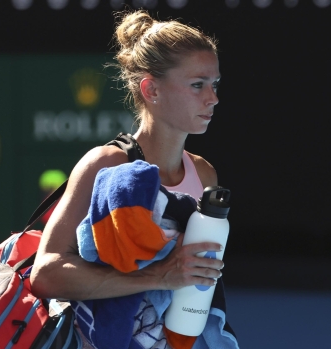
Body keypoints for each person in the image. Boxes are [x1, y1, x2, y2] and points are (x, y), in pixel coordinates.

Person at [30, 9, 235, 348]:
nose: (212, 98)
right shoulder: (104, 163)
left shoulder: (204, 173)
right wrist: (158, 275)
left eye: (214, 84)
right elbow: (47, 273)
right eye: (197, 85)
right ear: (151, 90)